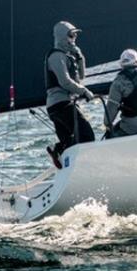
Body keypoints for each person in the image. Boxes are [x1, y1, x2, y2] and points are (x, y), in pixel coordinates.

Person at [44, 21, 96, 168]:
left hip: (61, 104)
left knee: (70, 141)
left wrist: (79, 57)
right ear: (62, 36)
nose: (74, 38)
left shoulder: (67, 55)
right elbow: (65, 82)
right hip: (60, 104)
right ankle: (81, 165)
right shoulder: (56, 57)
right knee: (87, 135)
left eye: (75, 35)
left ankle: (61, 154)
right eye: (71, 35)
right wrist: (84, 91)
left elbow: (81, 77)